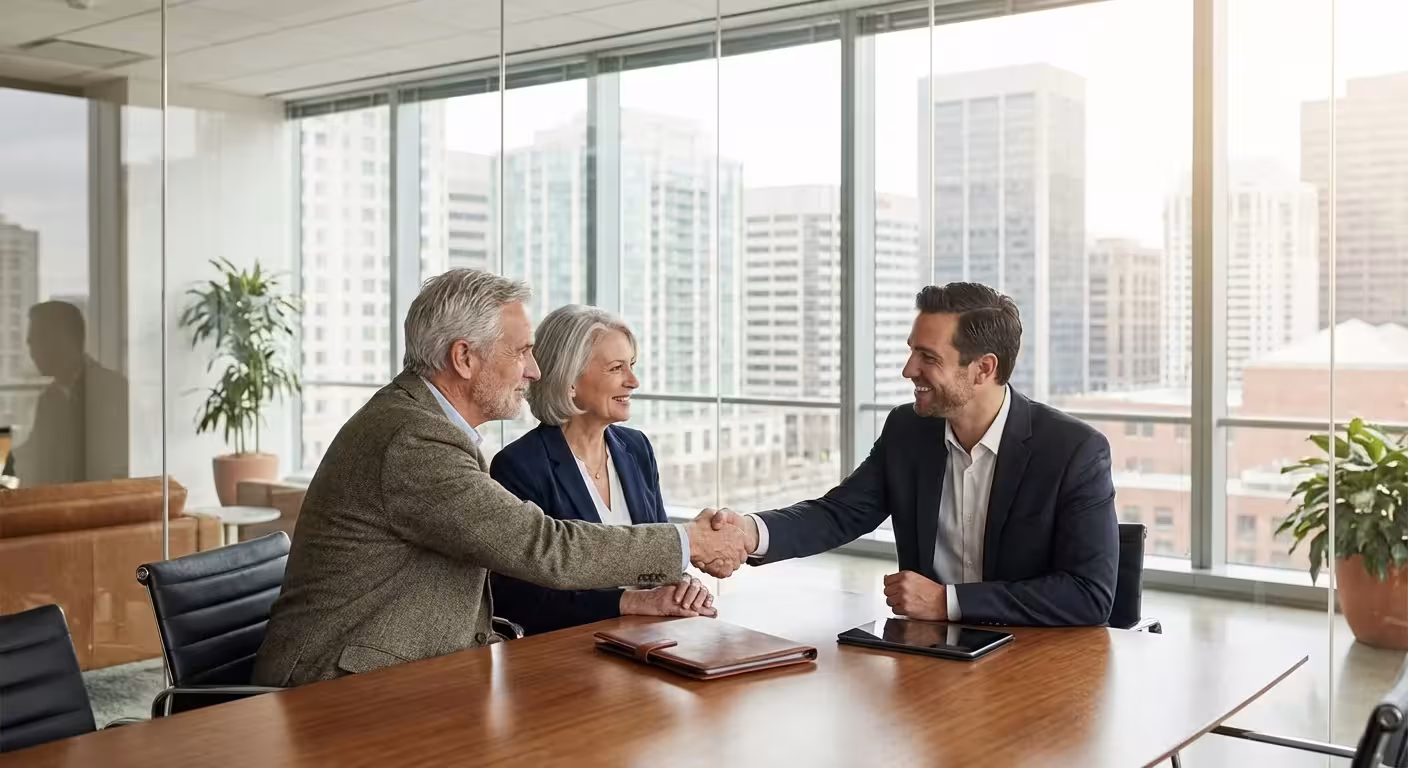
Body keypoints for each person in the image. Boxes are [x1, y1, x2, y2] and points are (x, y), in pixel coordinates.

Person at [254, 270, 747, 687]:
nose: (534, 370)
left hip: (413, 668)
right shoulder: (414, 440)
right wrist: (690, 541)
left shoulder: (425, 424)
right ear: (464, 358)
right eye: (521, 352)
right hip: (335, 686)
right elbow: (543, 547)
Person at [711, 283, 1118, 627]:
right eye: (912, 351)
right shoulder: (908, 430)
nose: (908, 370)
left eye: (929, 357)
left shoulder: (1073, 451)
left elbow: (1089, 594)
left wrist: (948, 602)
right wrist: (750, 531)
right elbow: (839, 513)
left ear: (984, 368)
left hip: (1032, 661)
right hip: (929, 657)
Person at [490, 305, 714, 635]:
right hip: (569, 653)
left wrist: (682, 588)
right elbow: (520, 601)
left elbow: (654, 552)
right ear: (570, 382)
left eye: (632, 366)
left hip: (651, 640)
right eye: (616, 368)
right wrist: (632, 603)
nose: (633, 381)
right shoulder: (519, 466)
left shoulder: (637, 448)